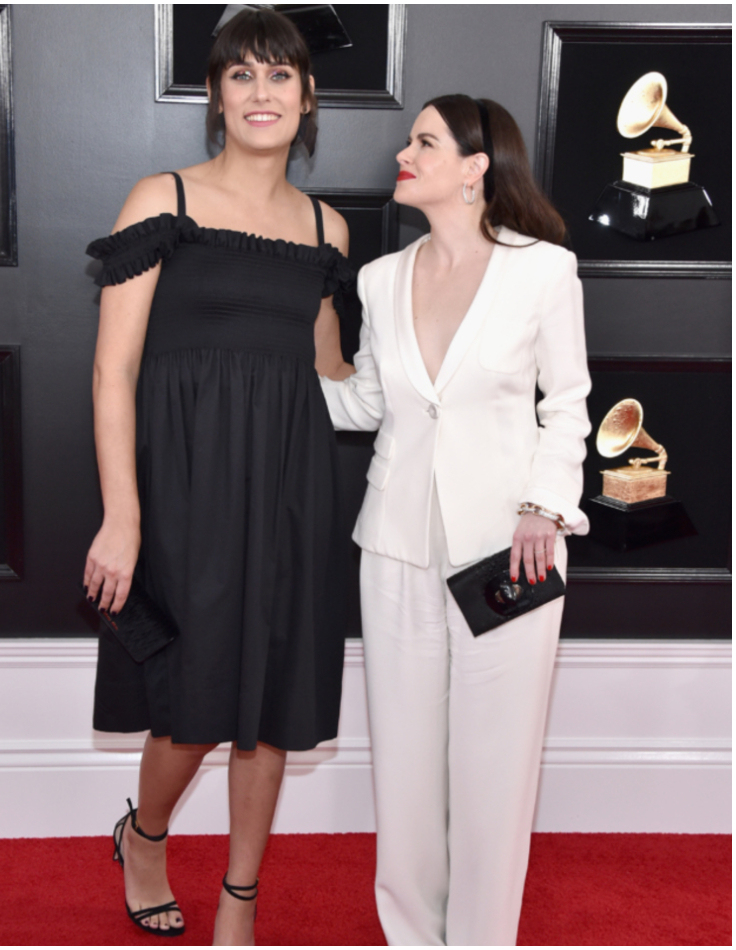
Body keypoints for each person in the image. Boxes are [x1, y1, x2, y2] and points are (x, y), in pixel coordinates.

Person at [83, 9, 352, 943]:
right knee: (192, 709)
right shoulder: (163, 199)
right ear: (216, 96)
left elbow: (331, 374)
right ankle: (145, 834)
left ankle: (240, 901)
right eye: (242, 76)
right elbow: (113, 369)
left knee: (271, 703)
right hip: (185, 486)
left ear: (307, 97)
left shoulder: (329, 228)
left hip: (289, 490)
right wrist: (124, 516)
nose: (263, 92)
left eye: (281, 76)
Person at [319, 94, 591, 946]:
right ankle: (411, 935)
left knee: (494, 769)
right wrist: (306, 324)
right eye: (410, 140)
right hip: (394, 546)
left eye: (424, 141)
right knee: (404, 766)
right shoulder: (378, 278)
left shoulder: (543, 270)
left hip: (509, 549)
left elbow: (571, 401)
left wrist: (544, 504)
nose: (405, 152)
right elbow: (366, 403)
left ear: (475, 168)